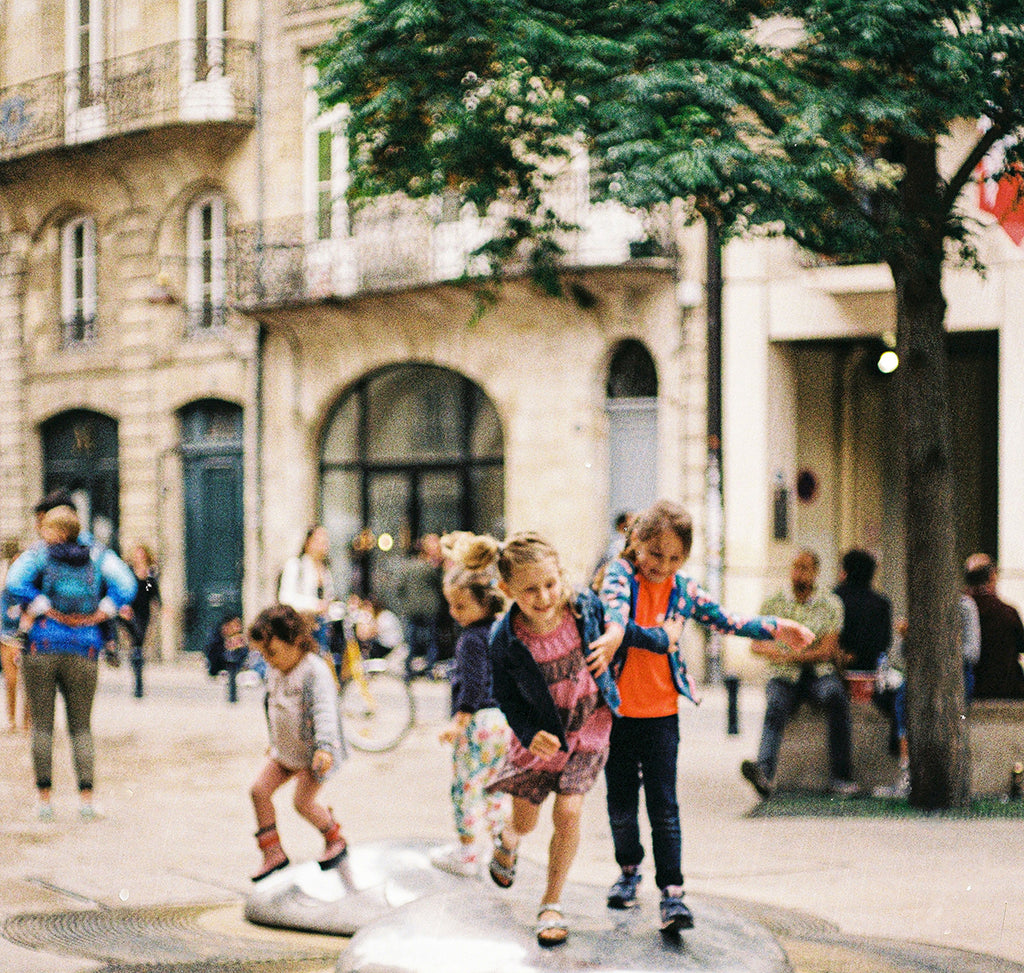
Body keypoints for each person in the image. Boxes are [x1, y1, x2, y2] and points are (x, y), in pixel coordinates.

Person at [596, 500, 814, 932]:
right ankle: (628, 871)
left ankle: (672, 894)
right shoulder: (619, 574)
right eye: (656, 554)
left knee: (664, 806)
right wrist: (656, 636)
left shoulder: (683, 589)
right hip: (617, 714)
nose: (663, 566)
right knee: (621, 804)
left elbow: (727, 620)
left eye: (675, 558)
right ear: (637, 543)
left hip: (661, 715)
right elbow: (615, 615)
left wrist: (777, 626)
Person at [482, 531, 682, 948]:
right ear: (507, 590)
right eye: (530, 589)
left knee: (569, 811)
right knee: (526, 819)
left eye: (550, 583)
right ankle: (509, 838)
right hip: (540, 738)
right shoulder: (504, 638)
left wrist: (648, 639)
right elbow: (504, 695)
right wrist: (527, 732)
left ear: (561, 576)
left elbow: (619, 631)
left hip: (589, 726)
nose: (544, 596)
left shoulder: (582, 607)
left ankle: (551, 903)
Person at [5, 505, 137, 820]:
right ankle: (86, 800)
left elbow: (13, 582)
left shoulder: (40, 554)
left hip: (44, 644)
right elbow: (128, 585)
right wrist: (103, 610)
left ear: (56, 530)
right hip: (86, 647)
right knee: (81, 728)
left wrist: (41, 604)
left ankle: (44, 800)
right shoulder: (98, 555)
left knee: (42, 727)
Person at [740, 549, 859, 800]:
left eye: (805, 568)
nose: (799, 573)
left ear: (815, 572)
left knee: (836, 697)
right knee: (775, 706)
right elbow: (756, 644)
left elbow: (826, 650)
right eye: (795, 567)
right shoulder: (774, 603)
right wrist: (789, 654)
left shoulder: (830, 604)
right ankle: (763, 772)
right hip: (784, 676)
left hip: (819, 674)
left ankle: (842, 777)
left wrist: (787, 653)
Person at [428, 532, 512, 877]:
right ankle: (498, 847)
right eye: (451, 604)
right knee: (494, 786)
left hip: (477, 722)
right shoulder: (501, 631)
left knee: (465, 786)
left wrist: (459, 721)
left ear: (485, 602)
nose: (453, 612)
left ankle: (466, 853)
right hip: (502, 722)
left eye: (460, 606)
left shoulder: (470, 641)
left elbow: (473, 684)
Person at [247, 604, 346, 881]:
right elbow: (273, 706)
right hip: (286, 751)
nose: (268, 660)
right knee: (258, 791)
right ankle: (272, 853)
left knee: (302, 802)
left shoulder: (314, 671)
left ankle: (335, 839)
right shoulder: (276, 670)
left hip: (315, 752)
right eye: (263, 654)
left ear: (297, 641)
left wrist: (325, 747)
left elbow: (325, 710)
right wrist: (273, 740)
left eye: (272, 652)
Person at [964, 553, 1024, 700]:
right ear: (992, 576)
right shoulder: (1007, 613)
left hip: (972, 690)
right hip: (1007, 690)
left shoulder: (958, 612)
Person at [278, 525, 336, 654]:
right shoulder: (295, 565)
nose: (323, 544)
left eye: (325, 540)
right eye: (319, 540)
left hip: (321, 628)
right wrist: (315, 605)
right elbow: (285, 598)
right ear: (308, 542)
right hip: (301, 628)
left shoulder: (326, 570)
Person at [395, 534, 445, 679]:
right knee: (431, 639)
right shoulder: (429, 568)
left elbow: (399, 588)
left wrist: (404, 604)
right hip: (430, 608)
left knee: (411, 639)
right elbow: (439, 584)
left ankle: (409, 669)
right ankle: (430, 669)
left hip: (412, 609)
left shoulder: (406, 568)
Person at [1, 537, 29, 732]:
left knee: (28, 684)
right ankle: (11, 718)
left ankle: (27, 720)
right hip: (9, 637)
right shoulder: (7, 592)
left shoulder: (30, 590)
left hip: (27, 638)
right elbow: (7, 615)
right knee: (11, 681)